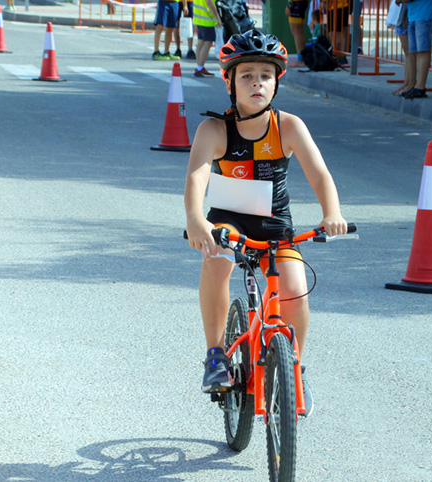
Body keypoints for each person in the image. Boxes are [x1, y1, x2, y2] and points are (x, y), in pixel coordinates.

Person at [184, 30, 347, 415]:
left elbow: (319, 174)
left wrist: (332, 213)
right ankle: (215, 355)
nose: (257, 82)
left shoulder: (289, 126)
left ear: (276, 82)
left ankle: (294, 366)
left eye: (265, 75)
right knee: (216, 262)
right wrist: (195, 220)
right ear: (229, 82)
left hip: (275, 224)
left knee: (295, 290)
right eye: (246, 75)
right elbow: (196, 177)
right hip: (229, 221)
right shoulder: (214, 129)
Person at [396, 0, 432, 99]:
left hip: (424, 15)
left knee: (422, 51)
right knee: (416, 52)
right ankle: (416, 86)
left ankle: (420, 87)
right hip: (413, 15)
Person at [391, 2, 416, 96]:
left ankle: (411, 83)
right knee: (407, 51)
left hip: (409, 11)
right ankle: (407, 82)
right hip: (402, 12)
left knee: (410, 52)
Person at [192, 0, 222, 77]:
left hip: (199, 17)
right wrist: (217, 18)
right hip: (207, 18)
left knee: (200, 42)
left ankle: (199, 66)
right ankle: (200, 67)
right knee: (207, 42)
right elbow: (209, 2)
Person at [286, 0, 310, 67]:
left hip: (296, 3)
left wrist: (289, 4)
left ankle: (301, 60)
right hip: (298, 3)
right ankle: (301, 58)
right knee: (298, 32)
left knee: (297, 32)